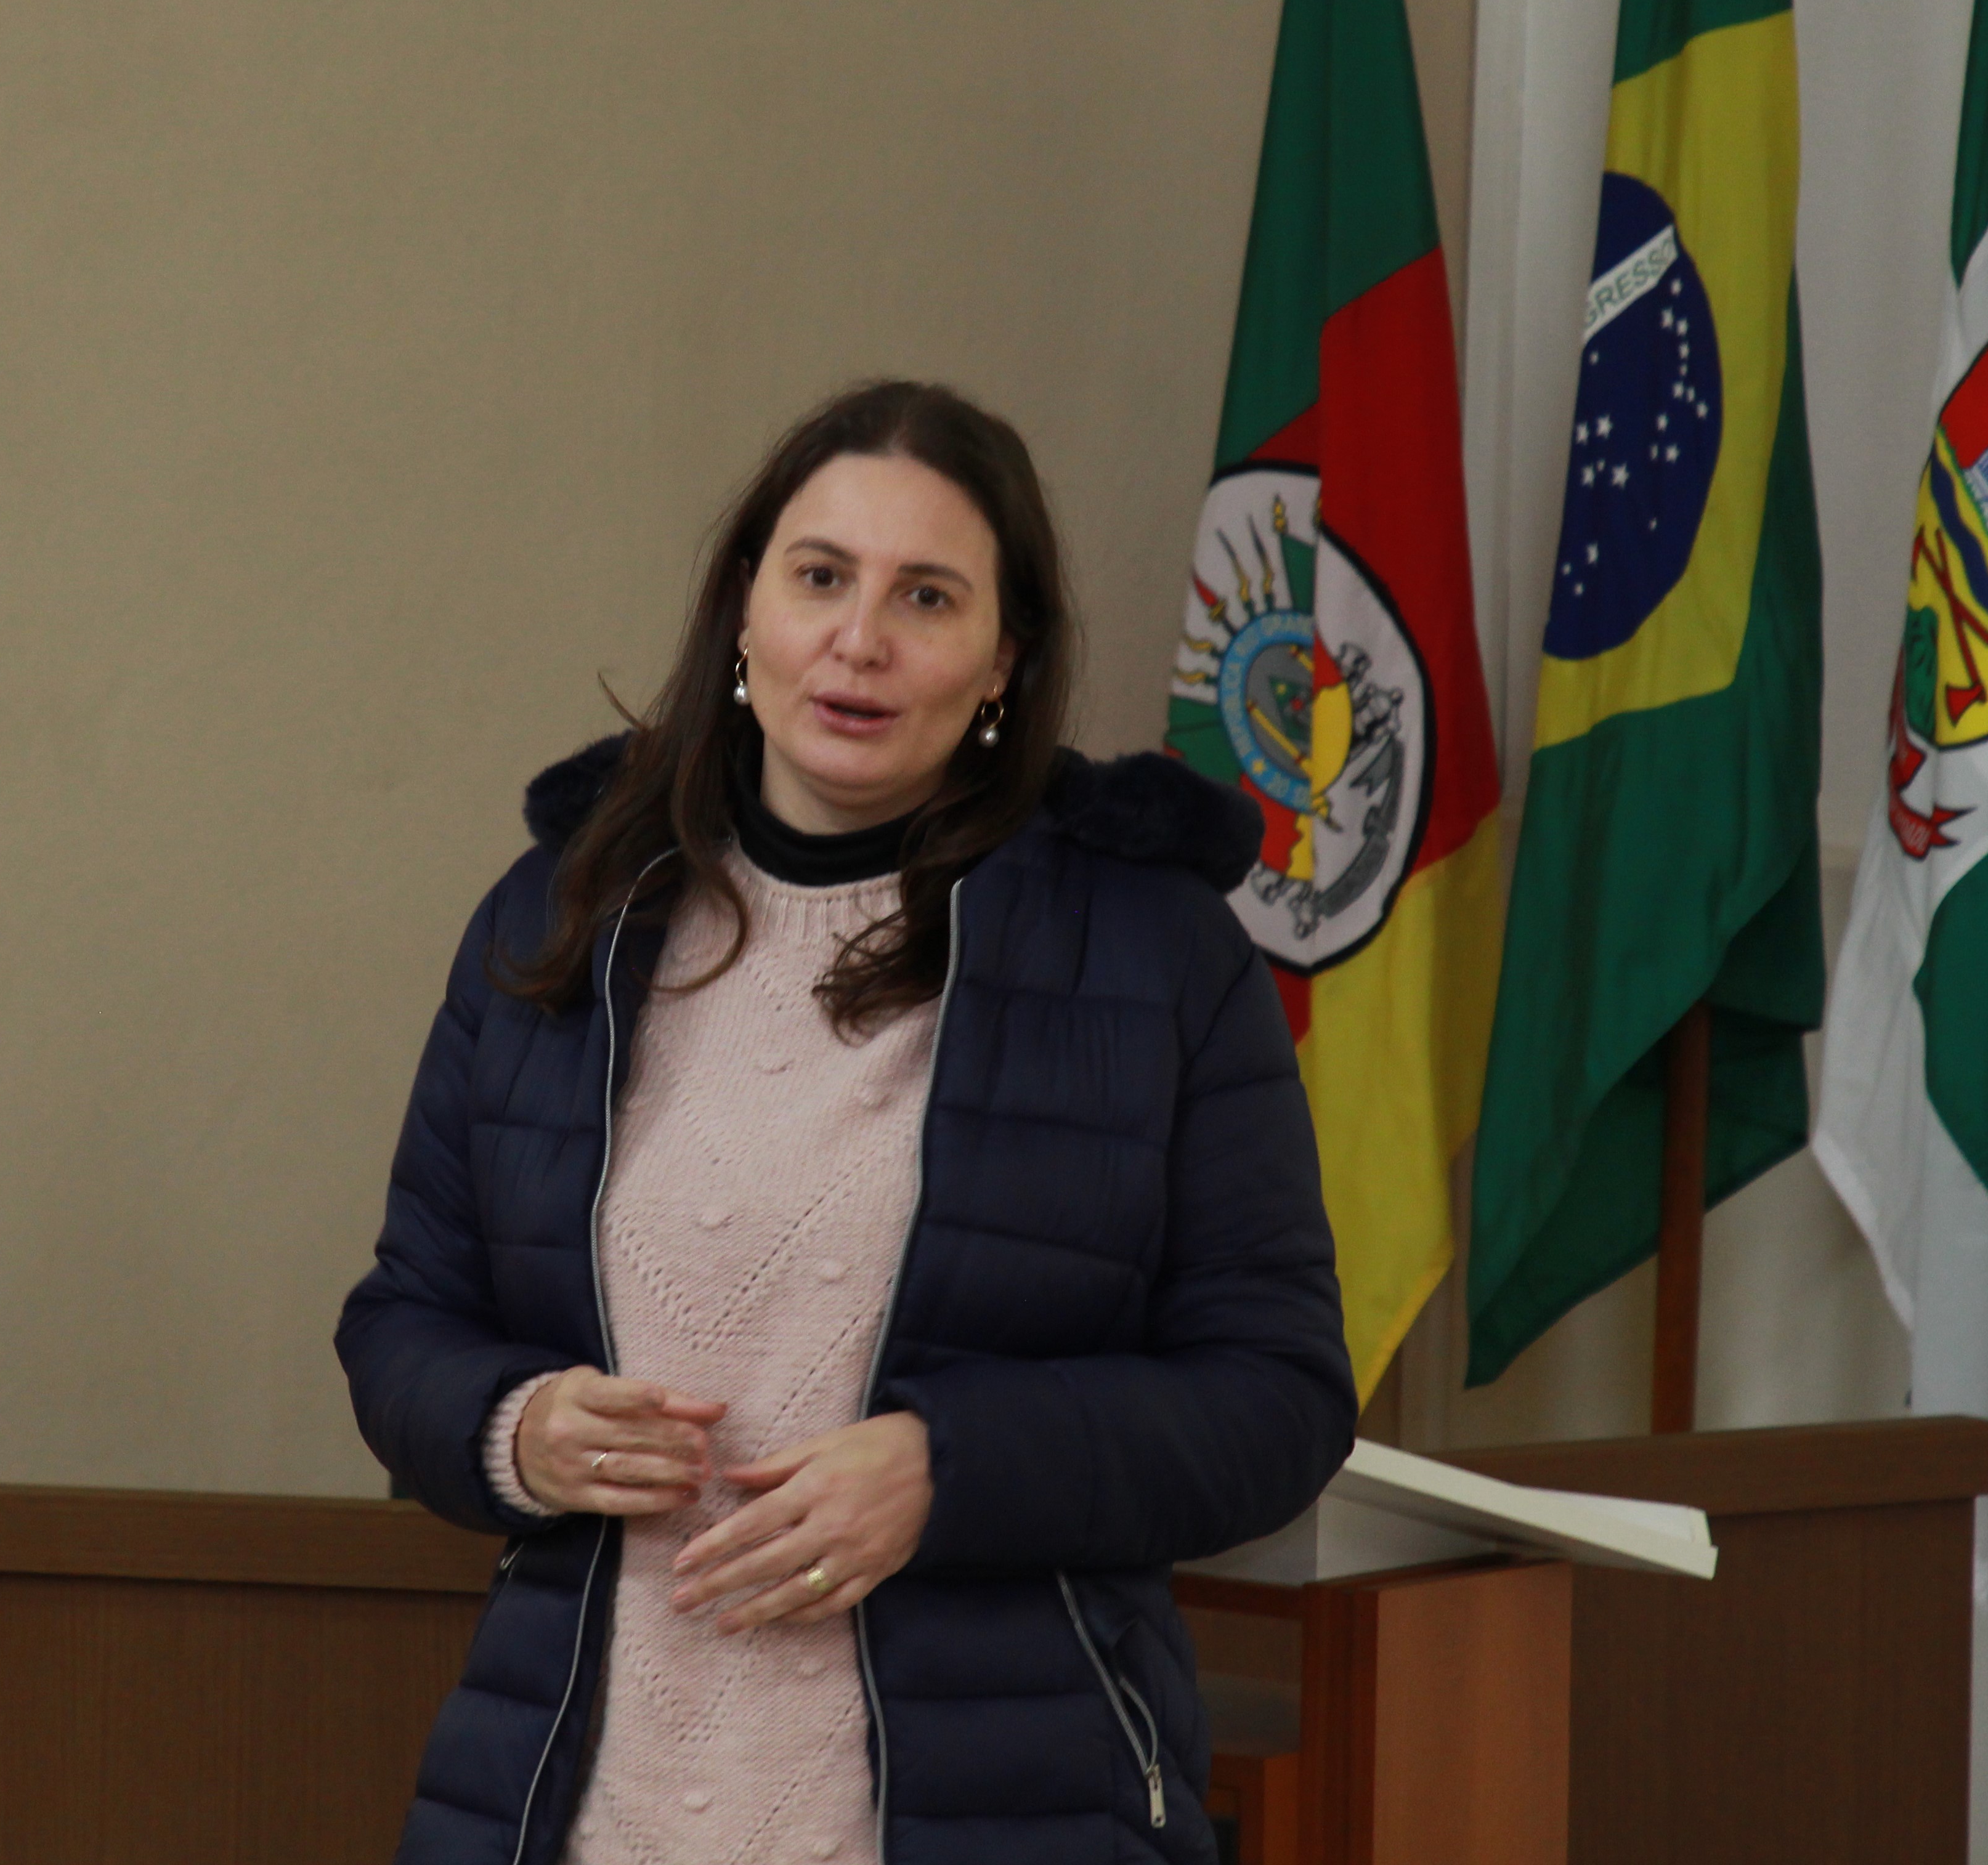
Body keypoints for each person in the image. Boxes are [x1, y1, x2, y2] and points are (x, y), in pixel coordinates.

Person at [337, 379, 1355, 1865]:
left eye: (926, 596)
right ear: (743, 611)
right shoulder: (563, 914)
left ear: (1002, 657)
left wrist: (951, 1469)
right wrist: (517, 1428)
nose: (859, 638)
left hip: (1002, 1815)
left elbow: (1276, 1398)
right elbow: (402, 1323)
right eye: (819, 577)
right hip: (575, 1816)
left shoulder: (1152, 953)